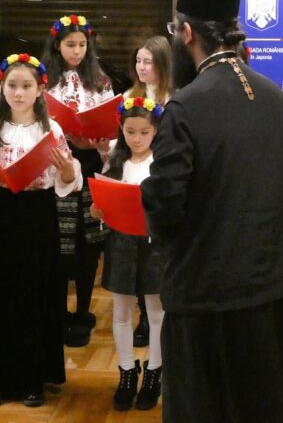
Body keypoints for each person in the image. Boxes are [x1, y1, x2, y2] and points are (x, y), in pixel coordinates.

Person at [141, 0, 283, 423]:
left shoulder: (185, 106)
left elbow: (165, 201)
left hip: (208, 292)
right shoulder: (277, 98)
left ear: (186, 34)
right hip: (274, 285)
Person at [0, 53, 81, 408]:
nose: (19, 93)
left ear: (40, 90)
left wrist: (67, 169)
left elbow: (67, 181)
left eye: (26, 86)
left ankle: (33, 378)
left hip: (37, 216)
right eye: (12, 85)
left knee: (35, 293)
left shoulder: (51, 130)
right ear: (3, 88)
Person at [42, 14, 114, 347]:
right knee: (59, 241)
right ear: (57, 45)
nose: (77, 51)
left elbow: (109, 121)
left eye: (82, 45)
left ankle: (84, 311)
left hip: (90, 162)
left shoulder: (99, 79)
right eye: (70, 44)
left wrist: (98, 141)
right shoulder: (44, 79)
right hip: (55, 163)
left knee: (88, 241)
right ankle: (57, 312)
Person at [90, 97, 166, 411]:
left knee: (156, 312)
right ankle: (126, 370)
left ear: (156, 131)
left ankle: (154, 372)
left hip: (154, 243)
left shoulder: (162, 164)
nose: (136, 139)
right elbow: (102, 203)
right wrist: (98, 210)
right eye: (130, 132)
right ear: (121, 130)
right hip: (121, 241)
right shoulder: (115, 162)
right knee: (121, 311)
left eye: (144, 132)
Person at [123, 35, 172, 347]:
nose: (141, 67)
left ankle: (162, 313)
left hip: (163, 173)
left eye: (148, 62)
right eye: (138, 61)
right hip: (134, 172)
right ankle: (143, 315)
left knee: (159, 251)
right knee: (137, 249)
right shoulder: (129, 96)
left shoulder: (175, 97)